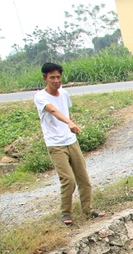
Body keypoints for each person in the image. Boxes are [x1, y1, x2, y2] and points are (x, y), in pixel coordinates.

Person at [34, 62, 104, 226]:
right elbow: (53, 110)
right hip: (55, 144)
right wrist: (69, 122)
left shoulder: (64, 94)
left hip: (71, 141)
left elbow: (66, 110)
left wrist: (70, 125)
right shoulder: (41, 97)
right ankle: (65, 213)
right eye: (52, 78)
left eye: (58, 77)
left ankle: (87, 209)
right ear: (45, 78)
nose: (56, 81)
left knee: (83, 179)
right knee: (68, 180)